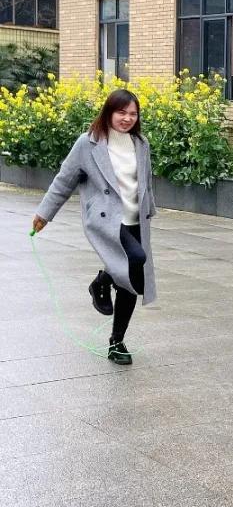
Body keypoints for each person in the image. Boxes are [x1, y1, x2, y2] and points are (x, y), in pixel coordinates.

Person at [32, 89, 157, 365]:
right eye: (121, 112)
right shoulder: (88, 143)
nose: (127, 118)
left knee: (132, 282)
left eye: (133, 114)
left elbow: (146, 181)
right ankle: (103, 281)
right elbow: (64, 180)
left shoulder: (141, 143)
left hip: (136, 220)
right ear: (109, 112)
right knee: (136, 259)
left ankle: (116, 342)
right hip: (108, 219)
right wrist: (44, 213)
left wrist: (150, 209)